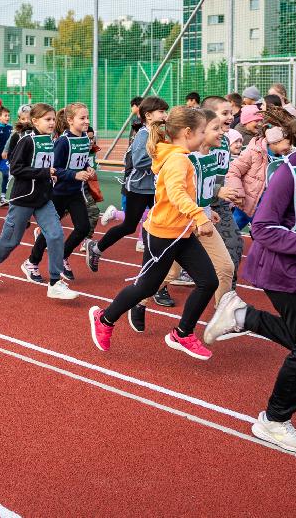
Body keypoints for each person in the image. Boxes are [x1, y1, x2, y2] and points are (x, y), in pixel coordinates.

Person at [204, 97, 296, 455]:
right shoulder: (290, 170)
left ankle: (243, 316)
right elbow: (263, 228)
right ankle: (273, 421)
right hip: (280, 267)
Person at [88, 105, 218, 360]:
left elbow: (179, 196)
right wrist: (199, 216)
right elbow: (177, 194)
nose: (205, 137)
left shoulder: (177, 156)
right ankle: (104, 318)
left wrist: (198, 215)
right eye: (202, 131)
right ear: (188, 132)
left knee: (208, 281)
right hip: (163, 236)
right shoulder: (178, 160)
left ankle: (183, 333)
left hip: (181, 233)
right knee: (146, 287)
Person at [138, 108, 238, 334]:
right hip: (178, 224)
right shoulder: (182, 158)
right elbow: (178, 193)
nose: (221, 132)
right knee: (169, 274)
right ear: (193, 132)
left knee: (225, 267)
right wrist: (203, 208)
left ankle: (222, 318)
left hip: (199, 220)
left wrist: (207, 206)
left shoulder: (212, 154)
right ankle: (140, 300)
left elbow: (198, 190)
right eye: (214, 128)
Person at [0, 103, 77, 300]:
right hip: (24, 198)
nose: (52, 123)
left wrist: (53, 176)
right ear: (35, 121)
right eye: (47, 119)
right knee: (11, 240)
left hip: (43, 199)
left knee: (56, 235)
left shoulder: (51, 140)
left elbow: (49, 166)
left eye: (53, 119)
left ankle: (54, 282)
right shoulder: (27, 141)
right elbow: (16, 169)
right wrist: (44, 172)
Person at [85, 96, 168, 271]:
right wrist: (163, 159)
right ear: (149, 115)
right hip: (138, 188)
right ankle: (97, 248)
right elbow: (138, 162)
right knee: (130, 226)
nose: (165, 115)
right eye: (161, 111)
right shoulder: (143, 135)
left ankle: (155, 271)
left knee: (158, 226)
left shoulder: (158, 133)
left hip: (154, 188)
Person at [24, 103, 95, 284]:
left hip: (74, 192)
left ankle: (62, 257)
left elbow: (82, 162)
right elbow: (53, 168)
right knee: (50, 230)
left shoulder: (86, 140)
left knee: (83, 227)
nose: (87, 121)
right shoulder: (63, 142)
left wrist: (87, 169)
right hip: (58, 193)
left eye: (87, 117)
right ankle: (31, 262)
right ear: (70, 120)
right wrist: (74, 174)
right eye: (82, 118)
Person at [225, 106, 296, 231]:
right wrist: (238, 193)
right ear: (275, 138)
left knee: (263, 235)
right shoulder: (254, 151)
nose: (291, 146)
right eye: (289, 141)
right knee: (232, 234)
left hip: (271, 206)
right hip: (249, 204)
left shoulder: (290, 155)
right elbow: (233, 170)